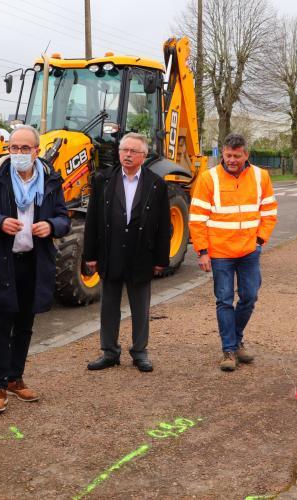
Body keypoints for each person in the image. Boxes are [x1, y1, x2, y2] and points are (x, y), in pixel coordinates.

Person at [0, 125, 70, 414]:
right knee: (1, 326)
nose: (18, 153)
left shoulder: (51, 179)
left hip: (35, 261)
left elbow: (64, 218)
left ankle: (16, 378)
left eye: (24, 148)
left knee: (25, 327)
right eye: (13, 148)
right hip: (3, 261)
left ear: (36, 151)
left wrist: (52, 225)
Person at [189, 133, 278, 371]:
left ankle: (236, 338)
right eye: (228, 155)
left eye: (236, 156)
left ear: (245, 155)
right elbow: (197, 218)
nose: (231, 160)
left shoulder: (261, 177)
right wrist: (203, 251)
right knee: (224, 300)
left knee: (249, 296)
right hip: (220, 253)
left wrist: (260, 239)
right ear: (223, 153)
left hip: (249, 250)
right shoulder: (209, 178)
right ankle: (229, 350)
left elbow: (269, 211)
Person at [83, 133, 170, 373]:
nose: (128, 155)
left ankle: (140, 352)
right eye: (124, 150)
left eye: (133, 151)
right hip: (111, 252)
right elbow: (92, 220)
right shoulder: (103, 180)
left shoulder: (156, 184)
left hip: (141, 253)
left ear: (143, 155)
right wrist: (89, 255)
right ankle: (109, 352)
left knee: (140, 306)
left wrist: (161, 260)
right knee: (109, 305)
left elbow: (164, 225)